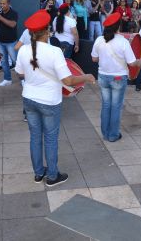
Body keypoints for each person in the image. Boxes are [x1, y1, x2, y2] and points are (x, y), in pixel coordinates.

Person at [15, 11, 95, 187]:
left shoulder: (23, 50)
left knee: (35, 137)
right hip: (50, 101)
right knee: (50, 139)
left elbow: (20, 74)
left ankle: (38, 173)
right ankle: (52, 176)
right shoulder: (54, 51)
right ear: (47, 31)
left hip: (29, 99)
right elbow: (68, 80)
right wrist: (86, 76)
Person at [91, 13, 141, 142]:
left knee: (106, 105)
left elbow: (94, 58)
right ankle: (113, 135)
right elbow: (131, 63)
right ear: (118, 26)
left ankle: (105, 133)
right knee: (116, 107)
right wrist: (139, 61)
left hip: (103, 77)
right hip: (118, 78)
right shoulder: (123, 41)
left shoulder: (98, 40)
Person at [0, 0, 18, 87]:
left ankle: (23, 79)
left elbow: (12, 24)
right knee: (4, 62)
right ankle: (7, 79)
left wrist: (0, 18)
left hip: (11, 42)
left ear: (8, 4)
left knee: (15, 61)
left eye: (4, 4)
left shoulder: (13, 13)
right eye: (1, 4)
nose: (2, 5)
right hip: (1, 41)